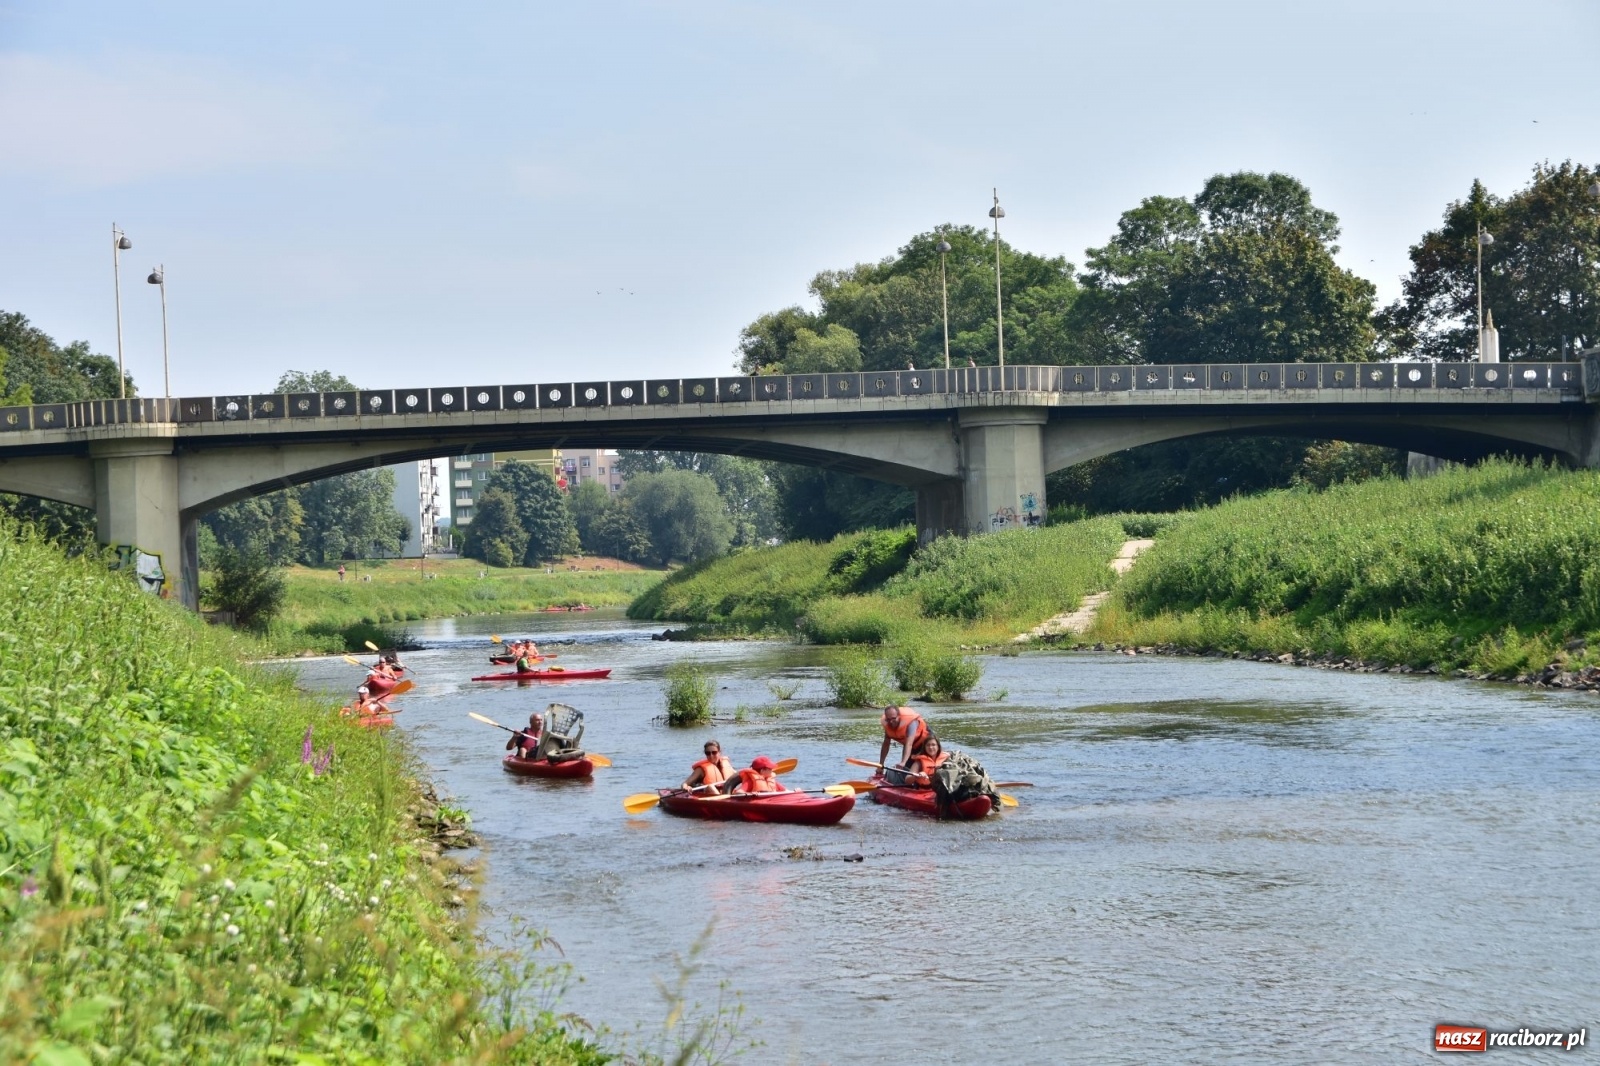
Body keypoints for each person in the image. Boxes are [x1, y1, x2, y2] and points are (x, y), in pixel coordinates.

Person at [878, 705, 928, 783]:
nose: (891, 722)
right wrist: (881, 765)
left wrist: (903, 762)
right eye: (888, 719)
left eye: (894, 718)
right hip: (912, 747)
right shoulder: (887, 725)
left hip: (926, 743)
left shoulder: (910, 722)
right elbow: (886, 745)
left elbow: (909, 744)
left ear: (899, 716)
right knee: (906, 772)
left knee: (923, 766)